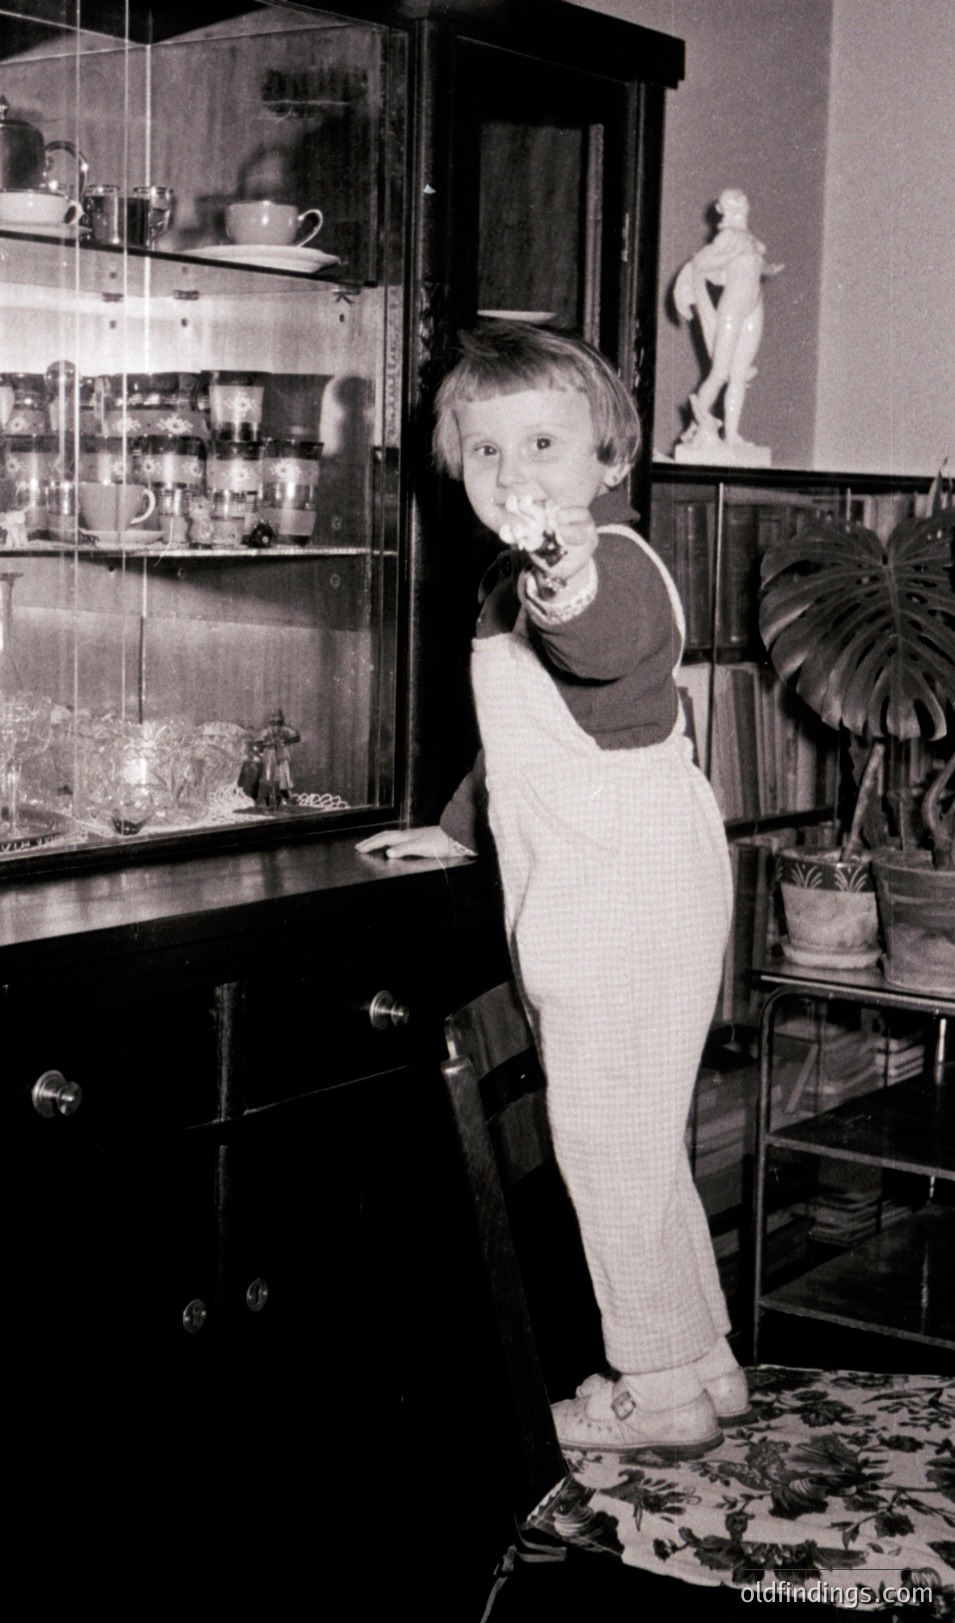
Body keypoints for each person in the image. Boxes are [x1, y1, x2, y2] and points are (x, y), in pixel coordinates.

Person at [357, 320, 745, 1457]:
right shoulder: (505, 582)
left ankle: (657, 1392)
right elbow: (525, 737)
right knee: (638, 1134)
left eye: (543, 445)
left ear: (611, 461)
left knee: (602, 1139)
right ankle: (701, 1358)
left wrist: (562, 575)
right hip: (612, 873)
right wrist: (455, 831)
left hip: (619, 885)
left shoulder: (605, 567)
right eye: (487, 452)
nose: (515, 474)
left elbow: (597, 643)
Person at [673, 188, 780, 454]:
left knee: (739, 374)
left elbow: (752, 266)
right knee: (720, 372)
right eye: (734, 202)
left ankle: (732, 435)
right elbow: (704, 264)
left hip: (753, 306)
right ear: (727, 209)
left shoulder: (751, 240)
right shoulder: (727, 237)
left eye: (742, 201)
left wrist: (768, 268)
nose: (740, 205)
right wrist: (724, 257)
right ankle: (695, 424)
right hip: (732, 306)